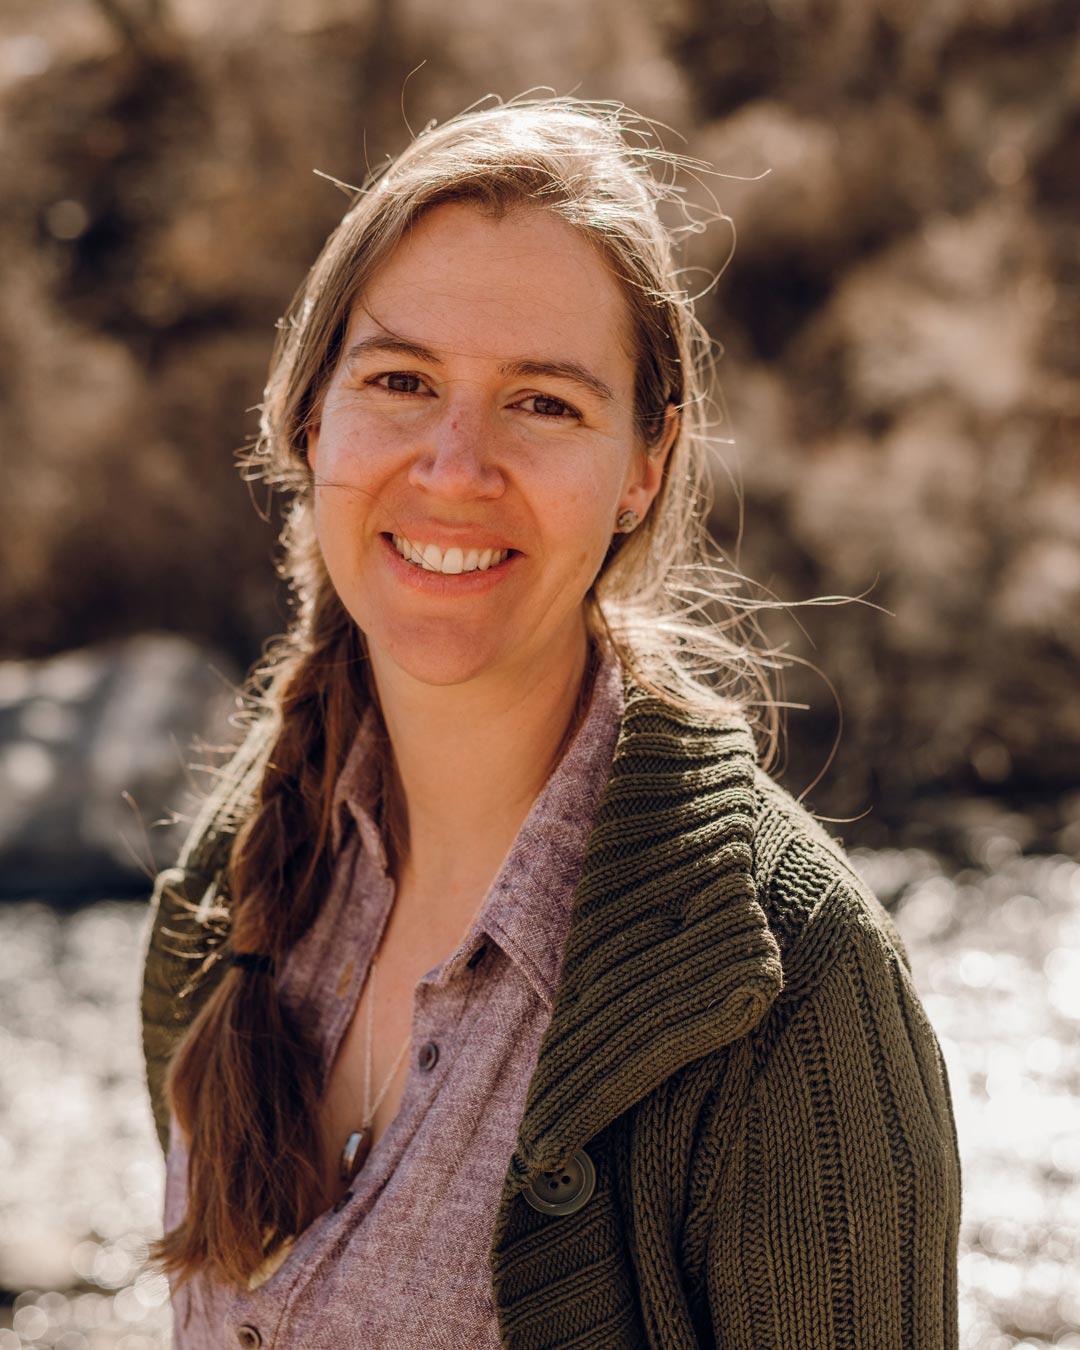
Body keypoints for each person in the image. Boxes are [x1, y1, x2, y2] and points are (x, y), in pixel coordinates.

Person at [141, 97, 961, 1348]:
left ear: (644, 463)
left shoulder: (787, 991)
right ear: (312, 419)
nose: (456, 465)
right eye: (401, 379)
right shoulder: (226, 895)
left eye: (544, 403)